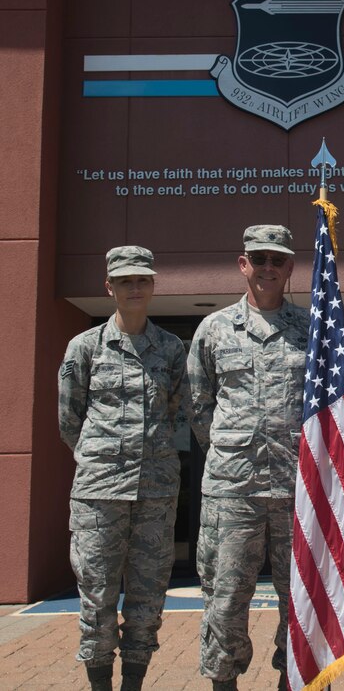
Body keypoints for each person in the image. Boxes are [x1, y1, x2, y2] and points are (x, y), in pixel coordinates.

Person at [58, 246, 189, 691]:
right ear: (108, 287)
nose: (135, 288)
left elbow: (174, 410)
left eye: (143, 280)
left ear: (152, 287)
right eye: (126, 280)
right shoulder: (85, 347)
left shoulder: (171, 349)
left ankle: (133, 682)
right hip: (98, 495)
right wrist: (103, 459)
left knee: (148, 598)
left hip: (155, 493)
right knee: (96, 596)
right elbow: (69, 420)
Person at [187, 225, 309, 691]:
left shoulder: (311, 327)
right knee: (225, 596)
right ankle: (223, 682)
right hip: (232, 490)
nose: (268, 268)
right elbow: (200, 406)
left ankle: (293, 676)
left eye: (277, 260)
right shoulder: (213, 328)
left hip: (298, 488)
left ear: (290, 267)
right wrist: (233, 452)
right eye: (259, 259)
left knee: (297, 595)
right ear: (243, 264)